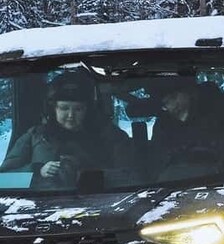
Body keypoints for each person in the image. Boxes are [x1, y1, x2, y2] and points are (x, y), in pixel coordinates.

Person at [1, 71, 131, 189]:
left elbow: (133, 177)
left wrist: (92, 177)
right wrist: (37, 171)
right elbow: (4, 181)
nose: (70, 115)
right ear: (53, 109)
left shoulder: (110, 137)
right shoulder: (35, 136)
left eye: (78, 109)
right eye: (64, 108)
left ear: (88, 110)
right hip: (42, 206)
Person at [148, 77, 224, 179]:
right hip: (175, 185)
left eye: (173, 97)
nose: (170, 105)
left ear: (190, 92)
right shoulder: (163, 127)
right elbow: (157, 163)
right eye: (165, 103)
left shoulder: (222, 116)